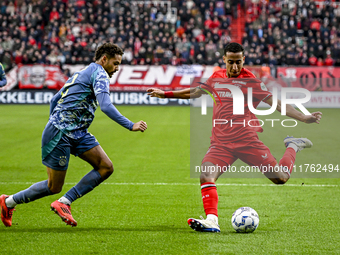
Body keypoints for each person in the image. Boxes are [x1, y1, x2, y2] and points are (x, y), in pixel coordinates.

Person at [147, 42, 322, 233]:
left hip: (247, 142)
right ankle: (212, 220)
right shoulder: (216, 78)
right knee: (206, 175)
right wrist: (166, 94)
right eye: (231, 62)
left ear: (244, 59)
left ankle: (293, 146)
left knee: (280, 178)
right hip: (221, 143)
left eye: (238, 62)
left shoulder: (251, 81)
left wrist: (304, 117)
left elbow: (277, 104)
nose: (235, 66)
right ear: (224, 60)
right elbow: (196, 92)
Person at [0, 43, 147, 227]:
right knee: (53, 186)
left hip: (78, 132)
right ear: (104, 59)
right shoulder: (100, 73)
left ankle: (64, 202)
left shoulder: (83, 72)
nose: (117, 68)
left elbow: (55, 99)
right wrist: (130, 125)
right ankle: (7, 202)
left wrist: (55, 121)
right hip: (61, 133)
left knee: (105, 167)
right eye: (115, 63)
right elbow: (106, 106)